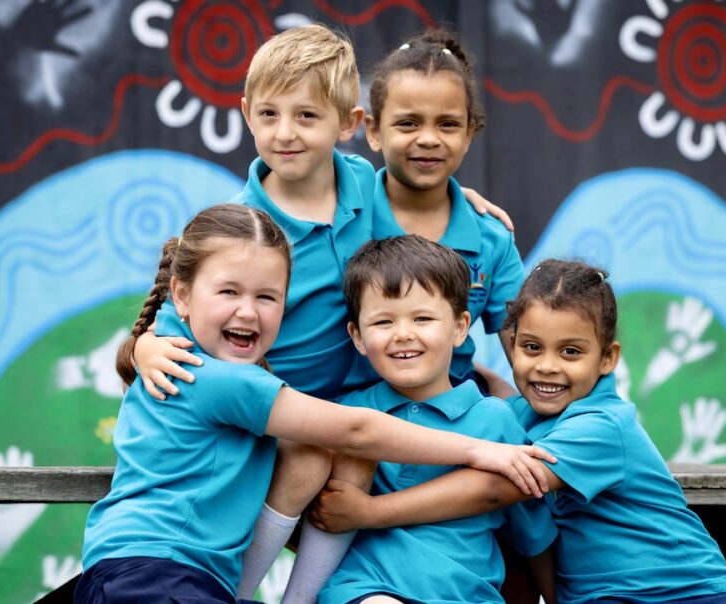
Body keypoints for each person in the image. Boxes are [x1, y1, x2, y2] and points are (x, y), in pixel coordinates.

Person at [123, 24, 515, 602]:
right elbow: (178, 311)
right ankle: (240, 593)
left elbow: (418, 188)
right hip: (281, 417)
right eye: (270, 114)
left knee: (360, 459)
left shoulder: (363, 185)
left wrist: (461, 198)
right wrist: (142, 347)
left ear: (349, 125)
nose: (286, 132)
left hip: (360, 411)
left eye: (307, 116)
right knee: (316, 455)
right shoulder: (245, 228)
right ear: (247, 114)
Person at [75, 205, 552, 604]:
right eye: (229, 292)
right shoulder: (211, 375)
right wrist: (475, 449)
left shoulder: (176, 354)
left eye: (267, 297)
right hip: (154, 574)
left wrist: (451, 194)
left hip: (163, 574)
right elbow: (356, 431)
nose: (247, 310)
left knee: (311, 453)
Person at [310, 259, 726, 604]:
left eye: (571, 352)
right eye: (531, 347)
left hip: (683, 591)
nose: (547, 366)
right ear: (511, 344)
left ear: (608, 358)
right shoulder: (514, 416)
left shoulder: (602, 425)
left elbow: (496, 488)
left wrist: (369, 513)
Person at [315, 235, 557, 604]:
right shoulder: (347, 416)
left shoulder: (496, 421)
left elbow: (534, 533)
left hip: (469, 596)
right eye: (383, 321)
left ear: (460, 327)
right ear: (358, 336)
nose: (403, 334)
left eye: (423, 318)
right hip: (368, 589)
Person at [344, 27, 524, 392]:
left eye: (448, 124)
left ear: (469, 134)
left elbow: (529, 350)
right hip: (354, 415)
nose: (428, 138)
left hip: (456, 415)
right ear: (374, 131)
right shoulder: (342, 212)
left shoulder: (492, 237)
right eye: (408, 123)